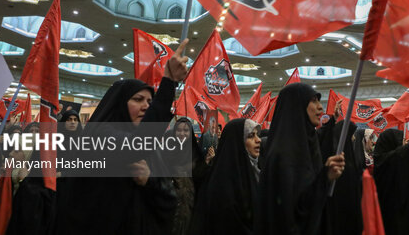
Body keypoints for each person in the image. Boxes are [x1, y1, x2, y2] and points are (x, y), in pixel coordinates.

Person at [59, 41, 190, 235]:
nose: (146, 106)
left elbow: (169, 199)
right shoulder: (100, 134)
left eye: (150, 102)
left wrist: (150, 182)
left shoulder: (152, 150)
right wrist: (169, 82)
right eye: (138, 100)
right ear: (119, 103)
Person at [255, 82, 345, 235]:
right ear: (297, 106)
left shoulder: (307, 143)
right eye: (313, 101)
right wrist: (324, 178)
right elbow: (292, 213)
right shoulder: (283, 154)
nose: (320, 107)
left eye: (319, 101)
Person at [372, 98, 409, 235]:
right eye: (401, 141)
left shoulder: (382, 160)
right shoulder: (392, 158)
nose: (404, 143)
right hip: (402, 219)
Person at [190, 118, 261, 234]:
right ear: (237, 141)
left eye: (258, 135)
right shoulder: (223, 183)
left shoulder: (255, 172)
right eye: (251, 136)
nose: (258, 140)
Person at [164, 117, 208, 235]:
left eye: (186, 130)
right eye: (179, 130)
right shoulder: (166, 152)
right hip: (170, 209)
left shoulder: (196, 155)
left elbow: (202, 180)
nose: (182, 133)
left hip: (192, 208)